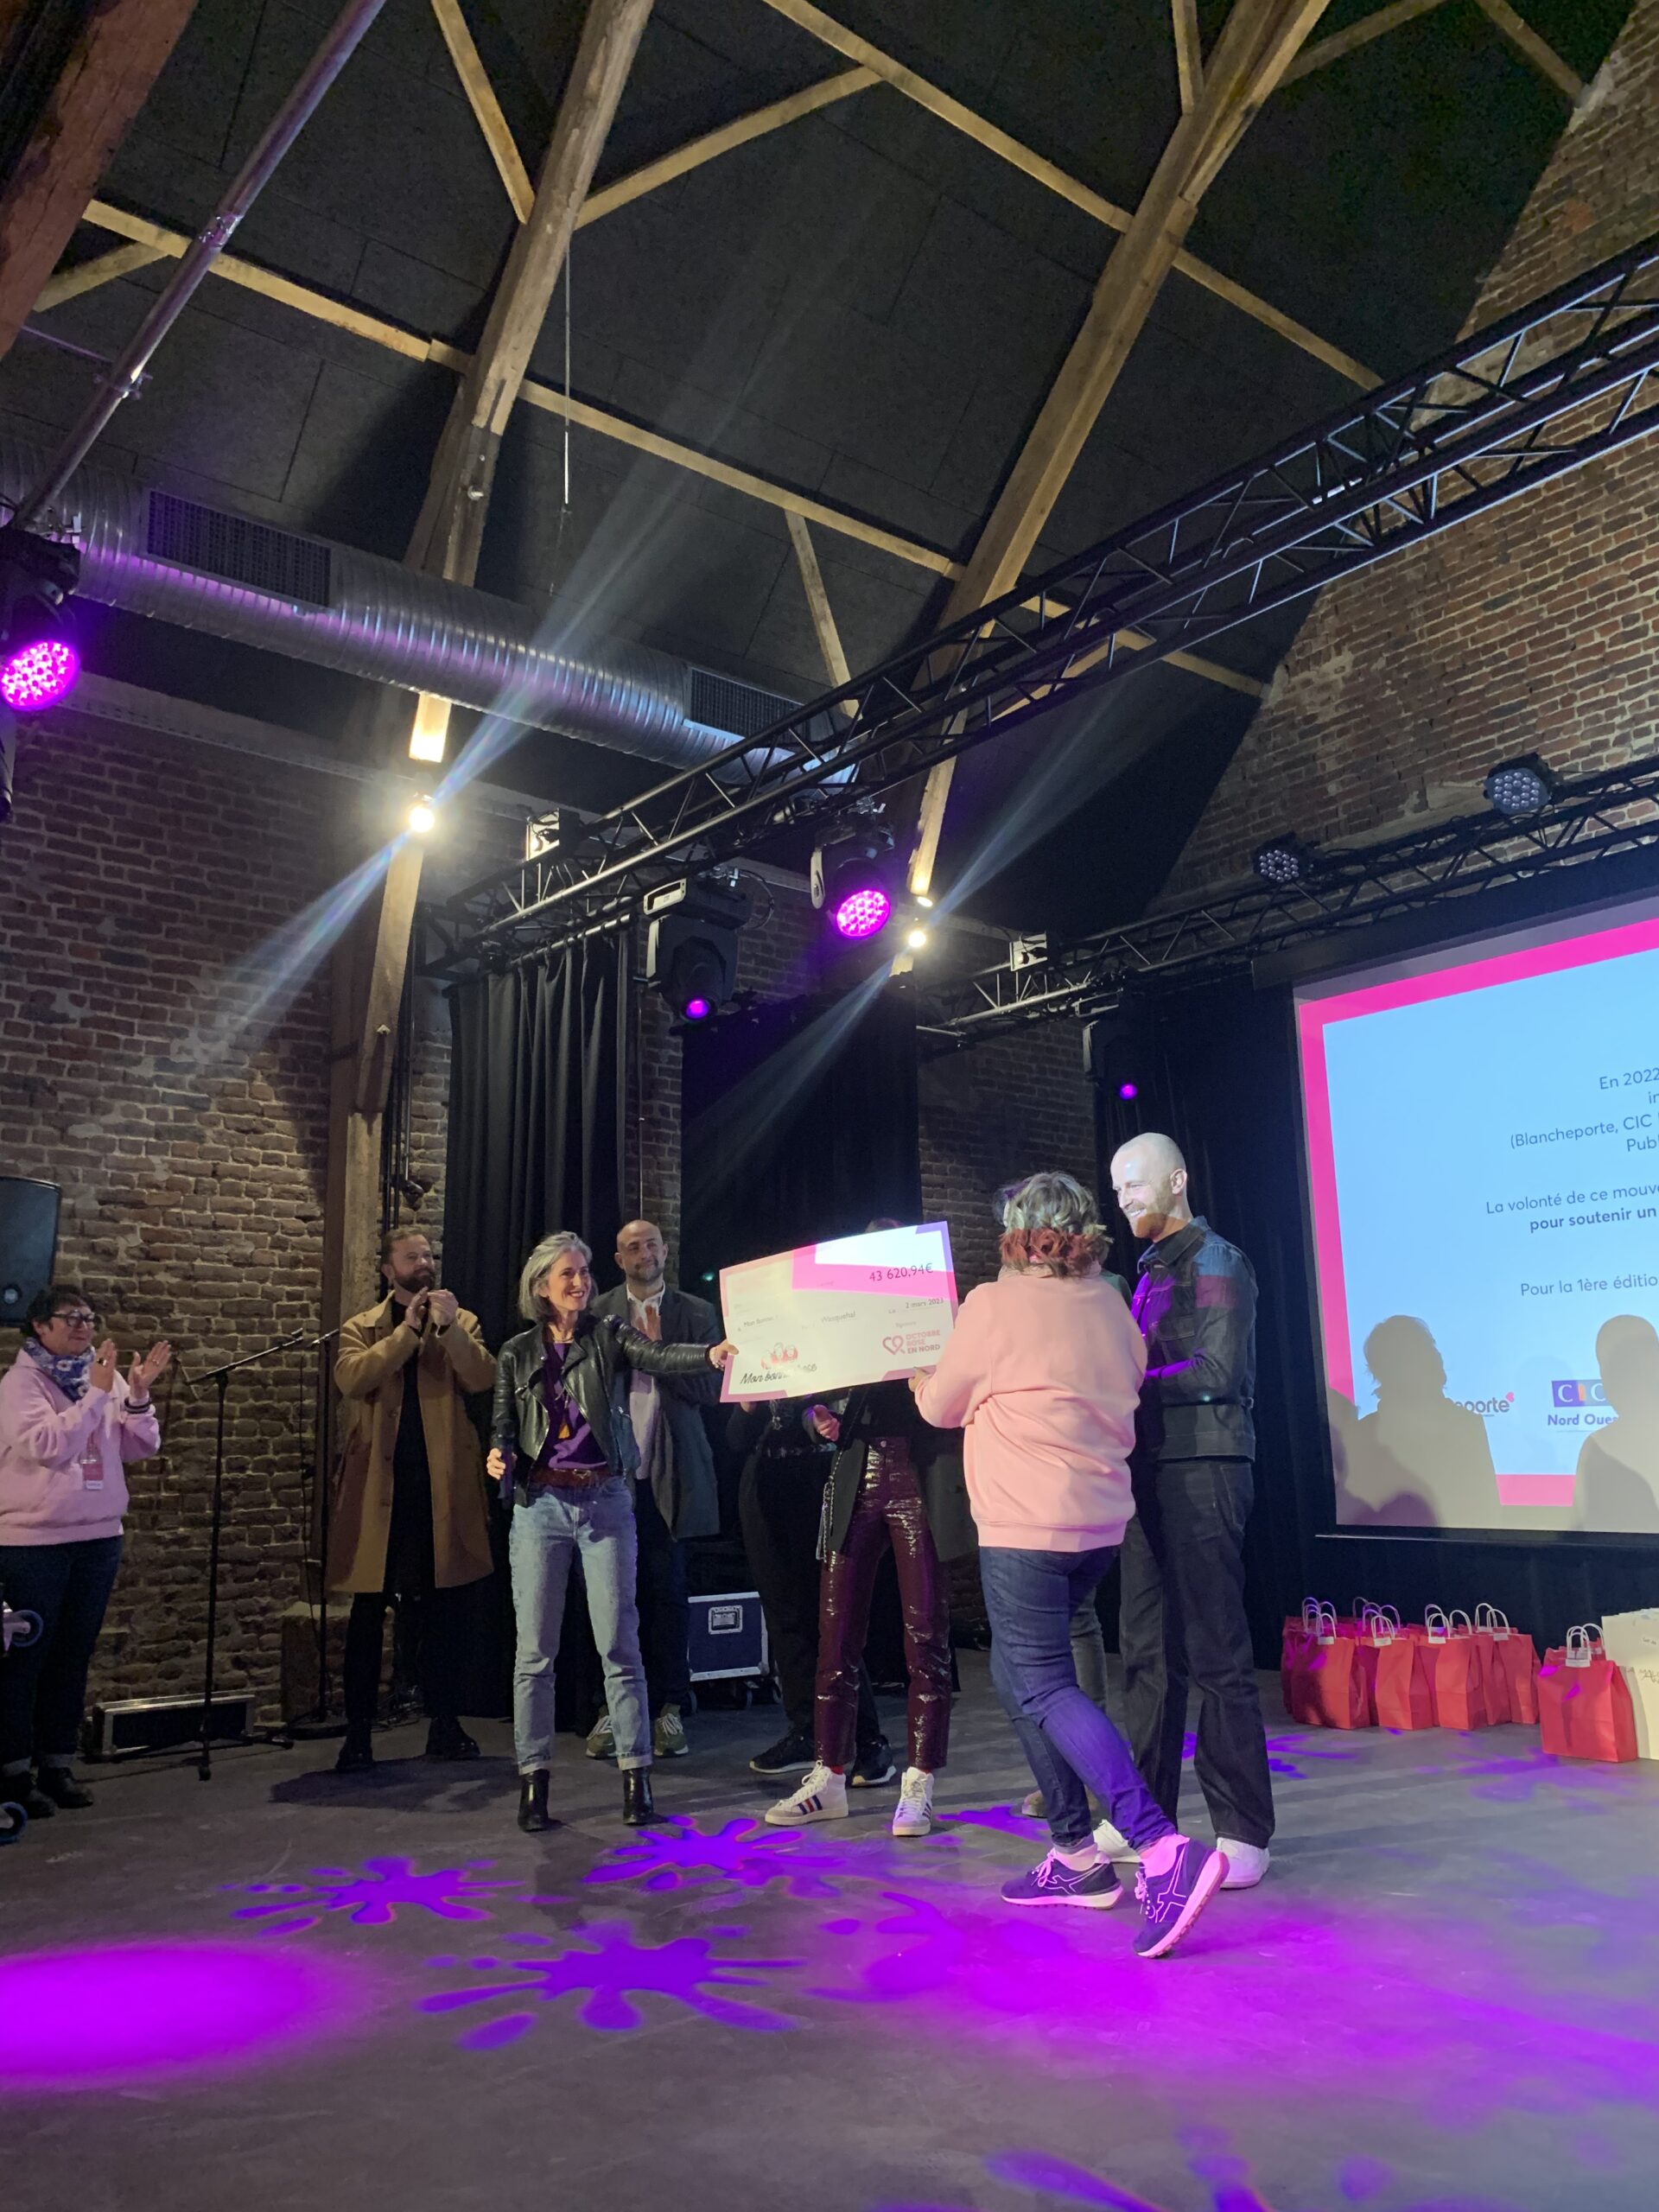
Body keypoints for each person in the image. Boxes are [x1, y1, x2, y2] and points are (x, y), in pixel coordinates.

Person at [913, 1173, 1227, 1960]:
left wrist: (919, 1375)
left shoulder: (992, 1306)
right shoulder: (1113, 1305)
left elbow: (940, 1406)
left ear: (1017, 1234)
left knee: (1042, 1685)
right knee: (1020, 1679)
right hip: (1097, 1524)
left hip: (1026, 1524)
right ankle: (1076, 1854)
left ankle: (1160, 1847)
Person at [489, 1232, 734, 1834]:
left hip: (604, 1501)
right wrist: (498, 1456)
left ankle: (636, 1776)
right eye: (567, 1274)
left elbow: (659, 1356)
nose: (580, 1282)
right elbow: (502, 1426)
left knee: (620, 1646)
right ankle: (534, 1782)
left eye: (584, 1272)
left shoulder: (608, 1334)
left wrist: (709, 1355)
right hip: (540, 1506)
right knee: (534, 1655)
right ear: (541, 1286)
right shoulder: (516, 1352)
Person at [766, 1223, 974, 1840]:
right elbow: (812, 1389)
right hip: (857, 1471)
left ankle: (920, 1782)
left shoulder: (942, 1313)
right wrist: (816, 1414)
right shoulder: (846, 1315)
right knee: (835, 1634)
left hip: (920, 1472)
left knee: (925, 1635)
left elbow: (961, 1392)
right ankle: (829, 1775)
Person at [1110, 1133, 1274, 1891]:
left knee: (1215, 1649)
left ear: (1177, 1180)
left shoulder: (1216, 1262)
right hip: (1147, 1471)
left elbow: (1217, 1369)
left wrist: (1123, 1379)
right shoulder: (1146, 1273)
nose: (1124, 1199)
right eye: (1117, 1189)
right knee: (1146, 1652)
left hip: (1205, 1466)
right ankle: (1143, 1819)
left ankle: (1243, 1831)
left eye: (1135, 1184)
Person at [329, 1228, 497, 1773]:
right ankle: (358, 1734)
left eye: (428, 1254)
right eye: (411, 1256)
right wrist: (405, 1334)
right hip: (380, 1493)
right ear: (389, 1270)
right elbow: (352, 1378)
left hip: (440, 1490)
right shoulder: (363, 1327)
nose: (424, 1262)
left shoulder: (461, 1320)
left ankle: (445, 1724)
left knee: (447, 1610)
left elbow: (482, 1377)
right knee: (367, 1612)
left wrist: (448, 1331)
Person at [0, 1287, 169, 1821]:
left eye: (88, 1318)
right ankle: (13, 1772)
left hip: (98, 1537)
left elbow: (139, 1446)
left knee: (73, 1657)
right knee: (26, 1660)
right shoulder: (21, 1384)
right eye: (69, 1317)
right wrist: (96, 1396)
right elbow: (47, 1447)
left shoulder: (104, 1376)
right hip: (34, 1542)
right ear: (39, 1326)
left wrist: (136, 1396)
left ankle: (57, 1763)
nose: (82, 1326)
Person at [590, 1219, 721, 1762]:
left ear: (666, 1251)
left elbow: (711, 1388)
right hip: (610, 1473)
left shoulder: (696, 1312)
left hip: (672, 1471)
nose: (644, 1253)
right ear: (618, 1259)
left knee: (668, 1592)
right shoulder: (598, 1311)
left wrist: (655, 1352)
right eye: (632, 1247)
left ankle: (670, 1705)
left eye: (651, 1244)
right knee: (611, 1595)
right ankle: (615, 1706)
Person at [728, 1396, 893, 1783]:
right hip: (763, 1488)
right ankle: (807, 1730)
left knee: (832, 1618)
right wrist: (747, 1403)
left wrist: (819, 1421)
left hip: (818, 1482)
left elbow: (834, 1415)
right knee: (783, 1617)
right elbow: (735, 1439)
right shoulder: (747, 1362)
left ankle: (868, 1739)